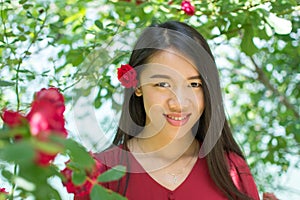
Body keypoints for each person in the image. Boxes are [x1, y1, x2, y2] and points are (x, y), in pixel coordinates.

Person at [94, 20, 260, 200]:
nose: (179, 103)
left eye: (194, 84)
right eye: (163, 84)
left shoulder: (233, 170)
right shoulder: (101, 173)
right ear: (137, 85)